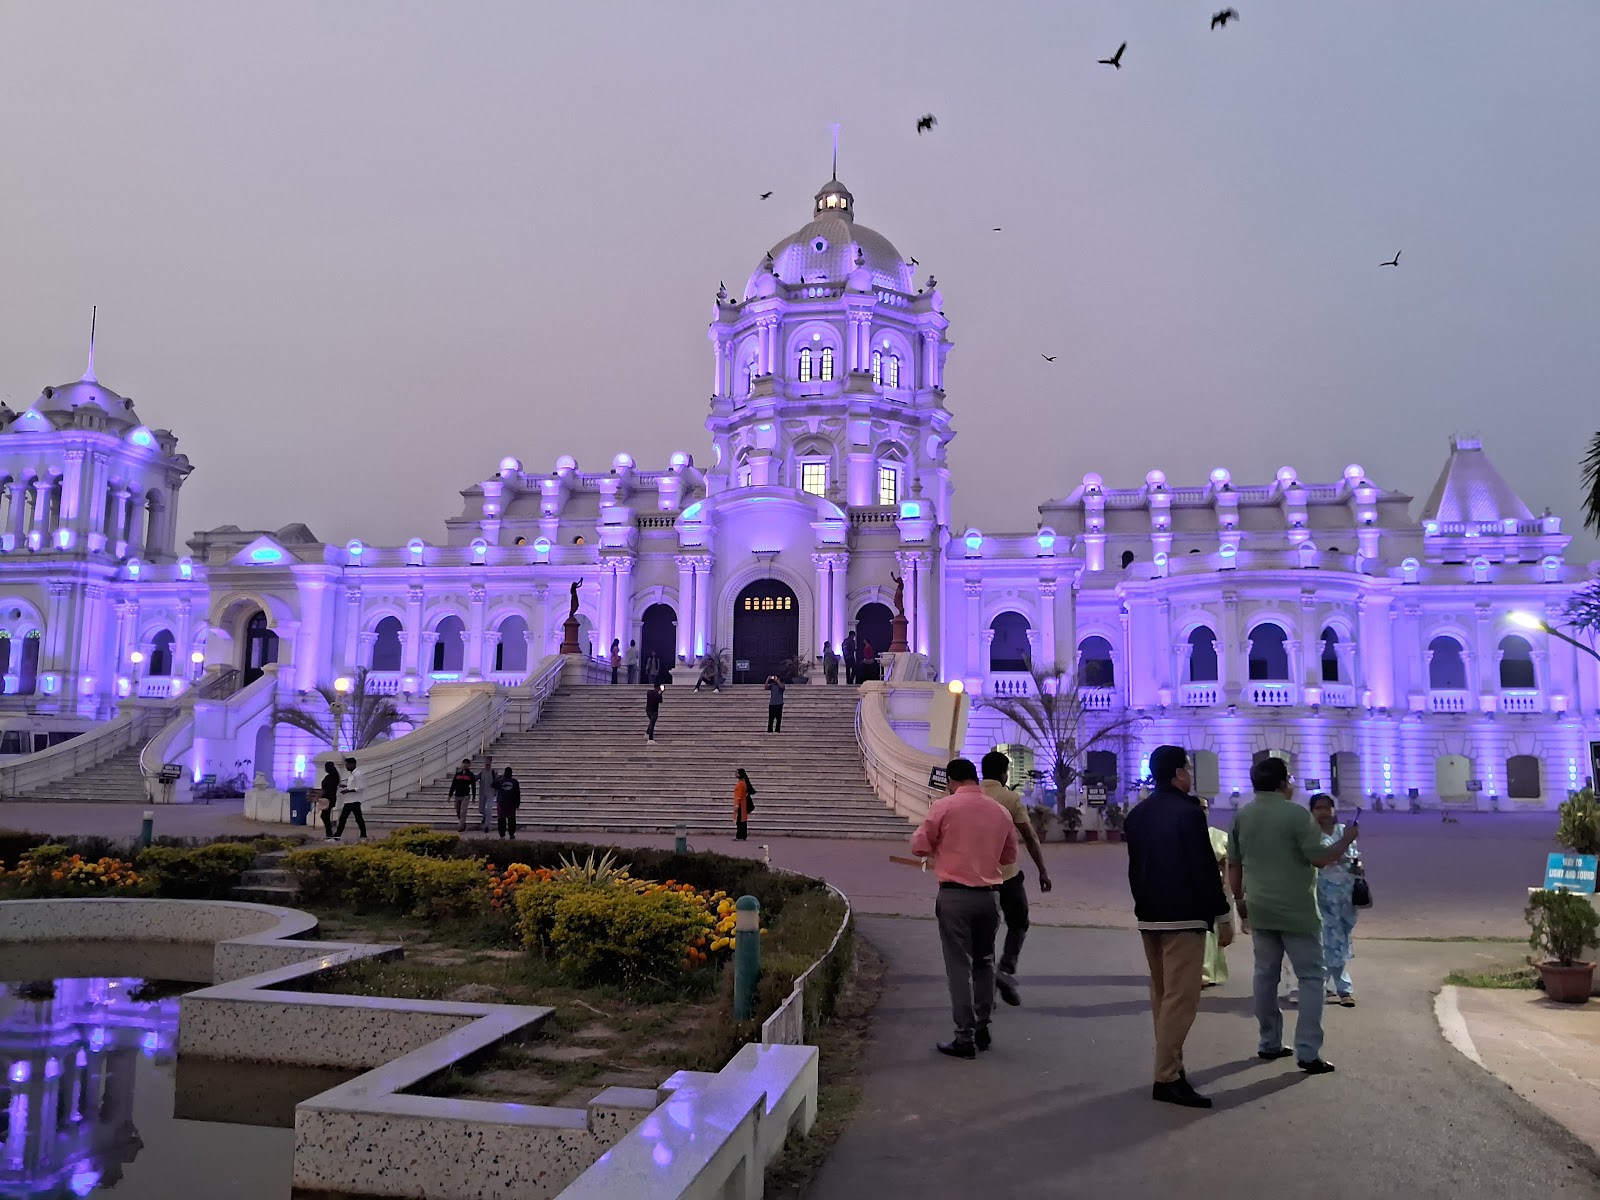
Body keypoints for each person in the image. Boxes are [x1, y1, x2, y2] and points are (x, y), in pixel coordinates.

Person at [1227, 757, 1359, 1076]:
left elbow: (1234, 864)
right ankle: (1308, 1051)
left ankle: (1269, 1041)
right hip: (1297, 910)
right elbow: (1321, 858)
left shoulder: (1243, 815)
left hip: (1259, 907)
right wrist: (1347, 839)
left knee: (1265, 976)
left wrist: (1240, 902)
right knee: (1312, 977)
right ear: (1283, 782)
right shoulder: (1297, 815)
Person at [1124, 746, 1233, 1109]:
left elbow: (1134, 869)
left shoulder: (1137, 815)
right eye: (1187, 767)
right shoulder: (1189, 814)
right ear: (1177, 774)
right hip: (1184, 916)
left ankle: (1171, 1066)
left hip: (1150, 916)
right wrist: (1222, 916)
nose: (1190, 772)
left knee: (1162, 996)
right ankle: (1166, 1076)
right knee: (1181, 999)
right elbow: (1203, 868)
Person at [911, 758, 1018, 1059]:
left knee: (959, 966)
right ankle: (983, 1025)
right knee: (984, 961)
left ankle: (964, 1036)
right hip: (988, 897)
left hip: (955, 897)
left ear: (952, 782)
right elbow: (1008, 857)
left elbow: (919, 845)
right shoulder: (1000, 812)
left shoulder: (944, 807)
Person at [979, 750, 1054, 1006]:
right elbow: (1030, 837)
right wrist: (1042, 870)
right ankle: (1006, 968)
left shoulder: (966, 797)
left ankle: (985, 990)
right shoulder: (1010, 798)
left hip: (976, 878)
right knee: (1018, 922)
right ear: (1004, 774)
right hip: (1008, 875)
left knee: (983, 932)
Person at [1310, 792, 1362, 1007]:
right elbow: (1324, 857)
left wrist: (1357, 865)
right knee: (1328, 941)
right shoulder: (1310, 835)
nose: (1323, 812)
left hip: (1346, 895)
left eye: (1326, 807)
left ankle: (1324, 984)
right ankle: (1342, 989)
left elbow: (1354, 855)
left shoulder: (1343, 831)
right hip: (1322, 894)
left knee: (1340, 939)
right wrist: (1344, 844)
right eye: (1318, 808)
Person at [1200, 798, 1231, 987]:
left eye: (1205, 808)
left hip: (1214, 890)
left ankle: (1210, 973)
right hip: (1190, 890)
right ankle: (1200, 974)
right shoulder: (1182, 833)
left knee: (1213, 933)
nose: (1202, 812)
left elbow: (1226, 864)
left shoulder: (1218, 836)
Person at [333, 756, 368, 842]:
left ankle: (337, 836)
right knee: (353, 818)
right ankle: (363, 835)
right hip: (349, 800)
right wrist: (345, 786)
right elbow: (353, 786)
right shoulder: (352, 775)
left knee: (348, 818)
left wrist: (348, 791)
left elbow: (361, 787)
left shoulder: (358, 774)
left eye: (347, 764)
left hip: (354, 800)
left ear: (353, 764)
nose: (346, 766)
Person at [448, 757, 478, 834]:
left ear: (469, 765)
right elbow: (453, 785)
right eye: (464, 763)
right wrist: (450, 795)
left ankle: (460, 826)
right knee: (458, 811)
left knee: (463, 812)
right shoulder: (457, 774)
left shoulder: (471, 775)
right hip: (457, 795)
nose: (465, 765)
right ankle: (463, 823)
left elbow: (473, 786)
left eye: (467, 763)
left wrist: (474, 797)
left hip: (466, 796)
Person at [493, 766, 523, 839]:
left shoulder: (500, 781)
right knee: (511, 819)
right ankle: (511, 834)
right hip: (511, 803)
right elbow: (517, 793)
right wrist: (518, 803)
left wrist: (499, 777)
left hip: (501, 803)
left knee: (501, 819)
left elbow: (493, 785)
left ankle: (502, 835)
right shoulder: (515, 782)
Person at [318, 759, 340, 841]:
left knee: (324, 816)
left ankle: (329, 833)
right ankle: (329, 832)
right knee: (325, 815)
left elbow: (325, 788)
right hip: (332, 798)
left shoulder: (329, 778)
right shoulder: (335, 777)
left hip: (327, 798)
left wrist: (318, 796)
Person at [734, 767, 755, 841]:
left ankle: (740, 835)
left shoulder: (740, 783)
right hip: (744, 803)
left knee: (740, 820)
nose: (735, 774)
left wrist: (736, 804)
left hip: (741, 803)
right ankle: (743, 835)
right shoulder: (744, 782)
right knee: (743, 820)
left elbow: (739, 795)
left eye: (737, 773)